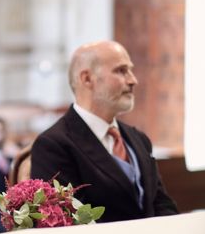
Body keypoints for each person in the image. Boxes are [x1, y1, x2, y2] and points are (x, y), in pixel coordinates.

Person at [30, 40, 178, 222]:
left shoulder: (138, 139)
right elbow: (70, 223)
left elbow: (161, 203)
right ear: (87, 79)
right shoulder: (54, 145)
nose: (133, 80)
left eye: (130, 70)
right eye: (121, 71)